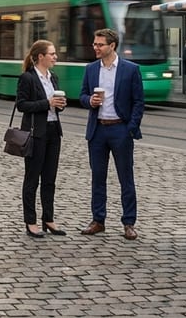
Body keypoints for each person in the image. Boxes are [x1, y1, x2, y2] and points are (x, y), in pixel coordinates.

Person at [79, 28, 145, 241]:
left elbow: (138, 102)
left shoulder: (130, 69)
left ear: (112, 46)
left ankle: (129, 222)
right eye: (95, 44)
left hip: (120, 129)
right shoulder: (90, 69)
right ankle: (98, 220)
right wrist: (89, 101)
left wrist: (130, 128)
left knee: (126, 178)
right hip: (97, 129)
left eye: (100, 45)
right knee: (97, 177)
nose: (95, 48)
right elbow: (81, 95)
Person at [14, 40, 67, 238]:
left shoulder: (53, 77)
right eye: (52, 54)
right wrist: (47, 103)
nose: (55, 57)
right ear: (40, 56)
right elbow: (22, 105)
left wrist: (60, 104)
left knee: (50, 179)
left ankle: (49, 219)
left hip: (54, 131)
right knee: (32, 179)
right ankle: (30, 221)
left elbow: (55, 106)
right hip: (36, 133)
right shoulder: (27, 78)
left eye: (55, 54)